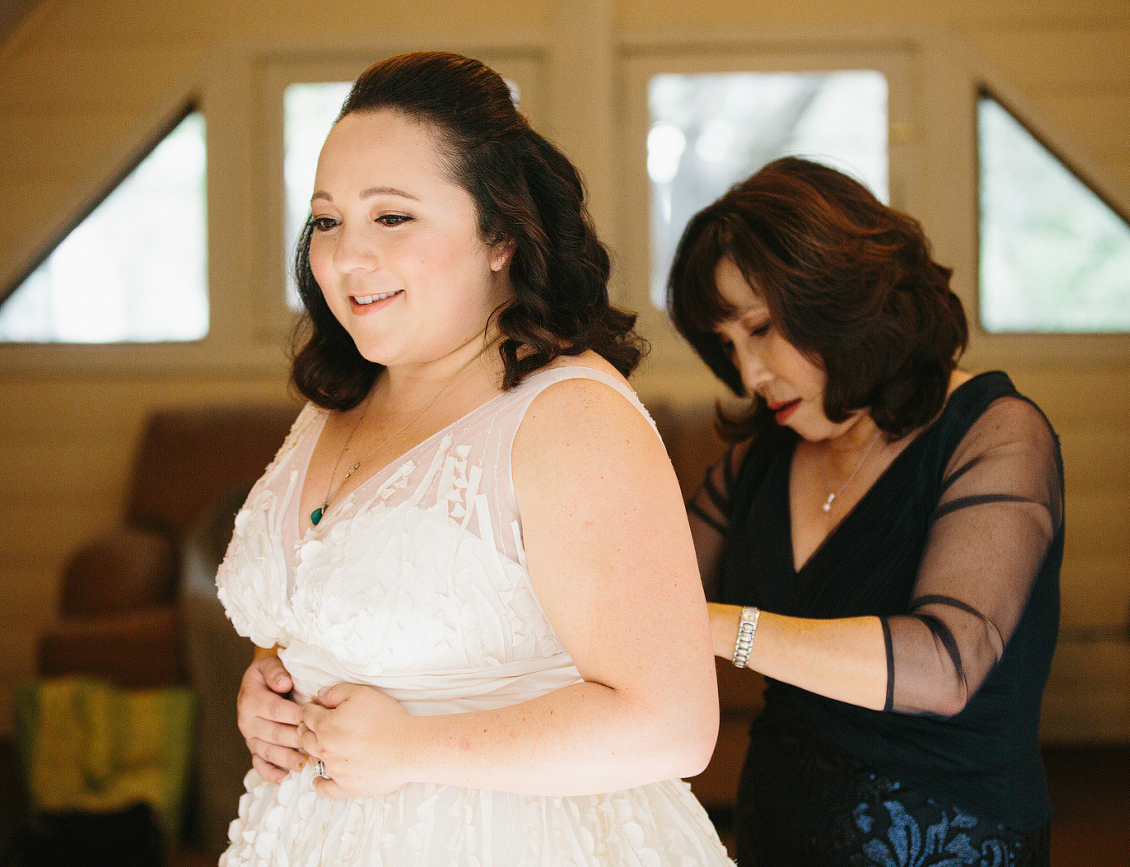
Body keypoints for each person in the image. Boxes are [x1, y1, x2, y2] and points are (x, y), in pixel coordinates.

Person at [217, 51, 732, 866]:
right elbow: (319, 608)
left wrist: (412, 747)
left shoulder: (567, 416)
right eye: (325, 220)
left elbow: (670, 725)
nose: (346, 257)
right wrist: (276, 689)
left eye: (391, 218)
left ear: (499, 233)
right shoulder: (335, 401)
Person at [667, 156, 1062, 866]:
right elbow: (635, 604)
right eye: (726, 344)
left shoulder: (996, 432)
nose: (749, 373)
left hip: (954, 845)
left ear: (839, 297)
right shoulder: (754, 466)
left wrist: (725, 627)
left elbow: (943, 665)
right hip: (771, 837)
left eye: (758, 327)